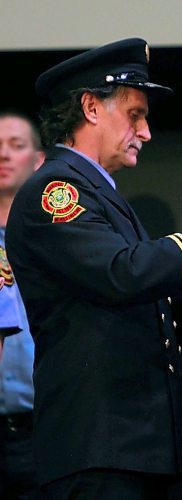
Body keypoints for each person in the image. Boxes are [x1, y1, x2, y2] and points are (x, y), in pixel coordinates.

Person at [5, 38, 182, 499]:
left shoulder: (98, 192)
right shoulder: (56, 190)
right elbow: (121, 273)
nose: (146, 131)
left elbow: (148, 315)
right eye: (134, 113)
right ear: (90, 107)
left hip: (124, 445)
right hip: (95, 446)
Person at [0, 111, 44, 498]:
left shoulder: (59, 239)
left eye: (16, 146)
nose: (3, 156)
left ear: (39, 160)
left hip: (45, 428)